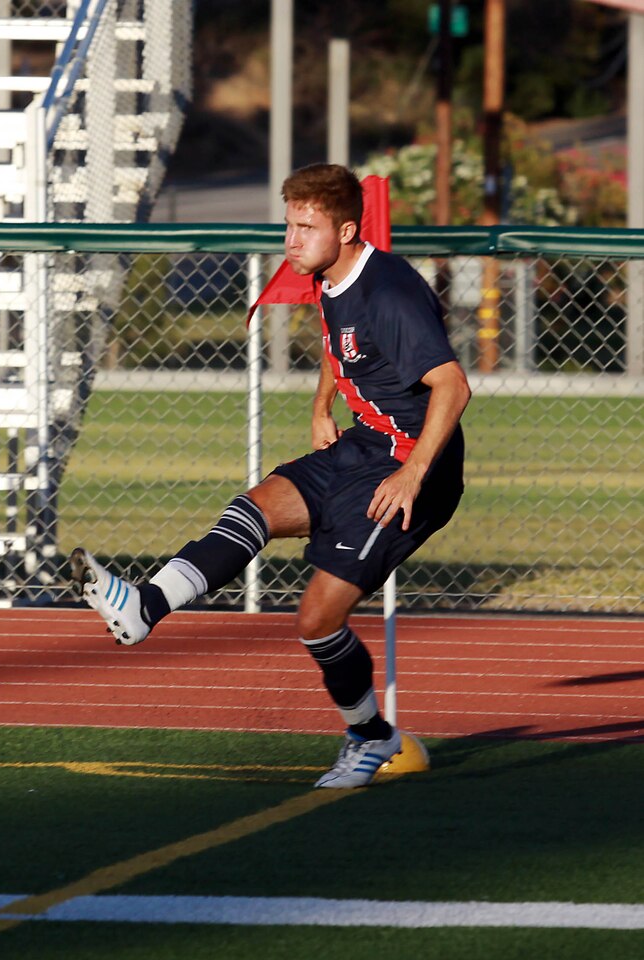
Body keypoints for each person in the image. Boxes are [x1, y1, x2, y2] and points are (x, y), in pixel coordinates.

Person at [71, 163, 471, 789]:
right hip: (364, 448)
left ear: (344, 231)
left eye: (305, 227)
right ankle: (144, 606)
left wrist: (414, 474)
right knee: (254, 507)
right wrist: (321, 407)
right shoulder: (332, 279)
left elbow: (453, 384)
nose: (291, 239)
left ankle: (370, 739)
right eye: (288, 224)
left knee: (315, 620)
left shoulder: (389, 291)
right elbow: (340, 345)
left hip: (411, 468)